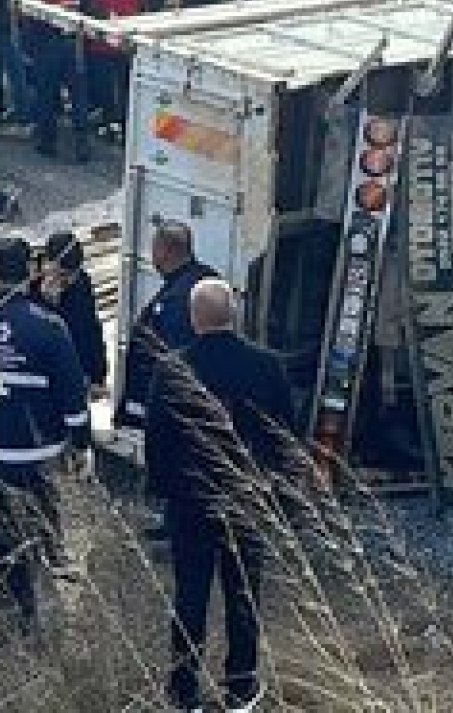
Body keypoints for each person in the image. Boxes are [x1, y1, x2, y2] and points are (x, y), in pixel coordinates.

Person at [147, 277, 300, 713]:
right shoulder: (267, 367)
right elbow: (285, 438)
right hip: (247, 498)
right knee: (243, 596)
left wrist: (162, 492)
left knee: (190, 595)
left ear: (194, 318)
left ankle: (183, 691)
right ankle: (240, 688)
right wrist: (281, 497)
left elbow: (157, 439)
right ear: (233, 315)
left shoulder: (173, 369)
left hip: (191, 503)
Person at [0, 236, 91, 629]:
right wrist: (80, 444)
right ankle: (34, 600)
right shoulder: (49, 327)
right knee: (39, 518)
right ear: (28, 273)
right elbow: (72, 395)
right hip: (38, 449)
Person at [118, 219, 218, 430]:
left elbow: (172, 361)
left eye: (153, 248)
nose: (151, 255)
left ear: (164, 251)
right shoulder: (208, 280)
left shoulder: (174, 302)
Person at [23, 0, 91, 161]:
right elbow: (87, 10)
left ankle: (47, 142)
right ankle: (82, 145)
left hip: (48, 46)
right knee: (78, 96)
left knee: (47, 95)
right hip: (74, 44)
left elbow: (32, 21)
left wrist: (30, 50)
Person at [34, 230, 107, 396]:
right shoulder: (30, 285)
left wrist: (97, 375)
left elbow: (90, 329)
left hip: (74, 370)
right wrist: (46, 302)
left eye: (72, 275)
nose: (67, 281)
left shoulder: (81, 283)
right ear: (47, 264)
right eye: (62, 275)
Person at [86, 0, 143, 133]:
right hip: (126, 43)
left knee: (105, 87)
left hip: (102, 45)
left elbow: (92, 12)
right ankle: (126, 123)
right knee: (125, 85)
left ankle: (109, 122)